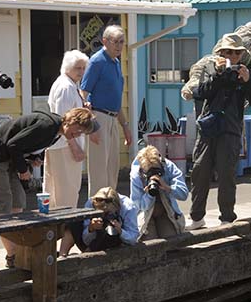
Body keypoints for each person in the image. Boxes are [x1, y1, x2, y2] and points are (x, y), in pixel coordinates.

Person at [0, 107, 99, 268]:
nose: (78, 135)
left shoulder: (56, 132)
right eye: (78, 130)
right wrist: (23, 170)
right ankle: (12, 256)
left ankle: (17, 251)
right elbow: (13, 144)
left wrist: (34, 158)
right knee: (2, 204)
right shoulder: (47, 126)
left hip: (9, 156)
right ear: (71, 121)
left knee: (18, 201)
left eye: (81, 133)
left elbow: (27, 144)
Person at [186, 33, 251, 230]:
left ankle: (227, 218)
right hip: (207, 130)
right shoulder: (210, 69)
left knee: (226, 175)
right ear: (220, 52)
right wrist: (219, 75)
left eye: (236, 52)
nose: (231, 56)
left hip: (230, 131)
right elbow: (200, 92)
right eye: (227, 51)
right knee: (200, 172)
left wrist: (248, 81)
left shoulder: (246, 73)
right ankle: (196, 217)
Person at [80, 24, 132, 197]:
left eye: (121, 42)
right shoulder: (97, 61)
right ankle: (96, 212)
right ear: (105, 41)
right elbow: (83, 93)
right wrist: (91, 125)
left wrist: (125, 126)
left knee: (112, 169)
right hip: (99, 117)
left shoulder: (116, 62)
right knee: (99, 170)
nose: (119, 46)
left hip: (112, 118)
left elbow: (116, 98)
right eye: (115, 42)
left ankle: (111, 207)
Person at [44, 50, 98, 208]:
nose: (81, 72)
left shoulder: (70, 84)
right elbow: (64, 122)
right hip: (64, 147)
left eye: (83, 68)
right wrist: (75, 148)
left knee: (57, 191)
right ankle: (65, 229)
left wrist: (83, 107)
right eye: (77, 68)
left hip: (61, 145)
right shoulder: (66, 88)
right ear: (67, 67)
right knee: (66, 192)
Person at [130, 145, 188, 241]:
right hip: (146, 214)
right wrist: (148, 195)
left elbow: (184, 194)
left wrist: (167, 187)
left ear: (161, 164)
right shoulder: (136, 175)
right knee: (150, 245)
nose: (154, 175)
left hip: (166, 211)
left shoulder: (169, 167)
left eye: (156, 171)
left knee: (172, 242)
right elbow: (139, 205)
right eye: (150, 173)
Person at [60, 186, 139, 254]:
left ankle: (86, 255)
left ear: (117, 206)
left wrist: (121, 231)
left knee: (108, 229)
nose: (105, 216)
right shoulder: (91, 203)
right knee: (73, 222)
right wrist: (90, 228)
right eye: (101, 213)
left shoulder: (128, 207)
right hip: (92, 239)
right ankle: (62, 255)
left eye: (107, 212)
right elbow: (85, 239)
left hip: (116, 243)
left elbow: (133, 239)